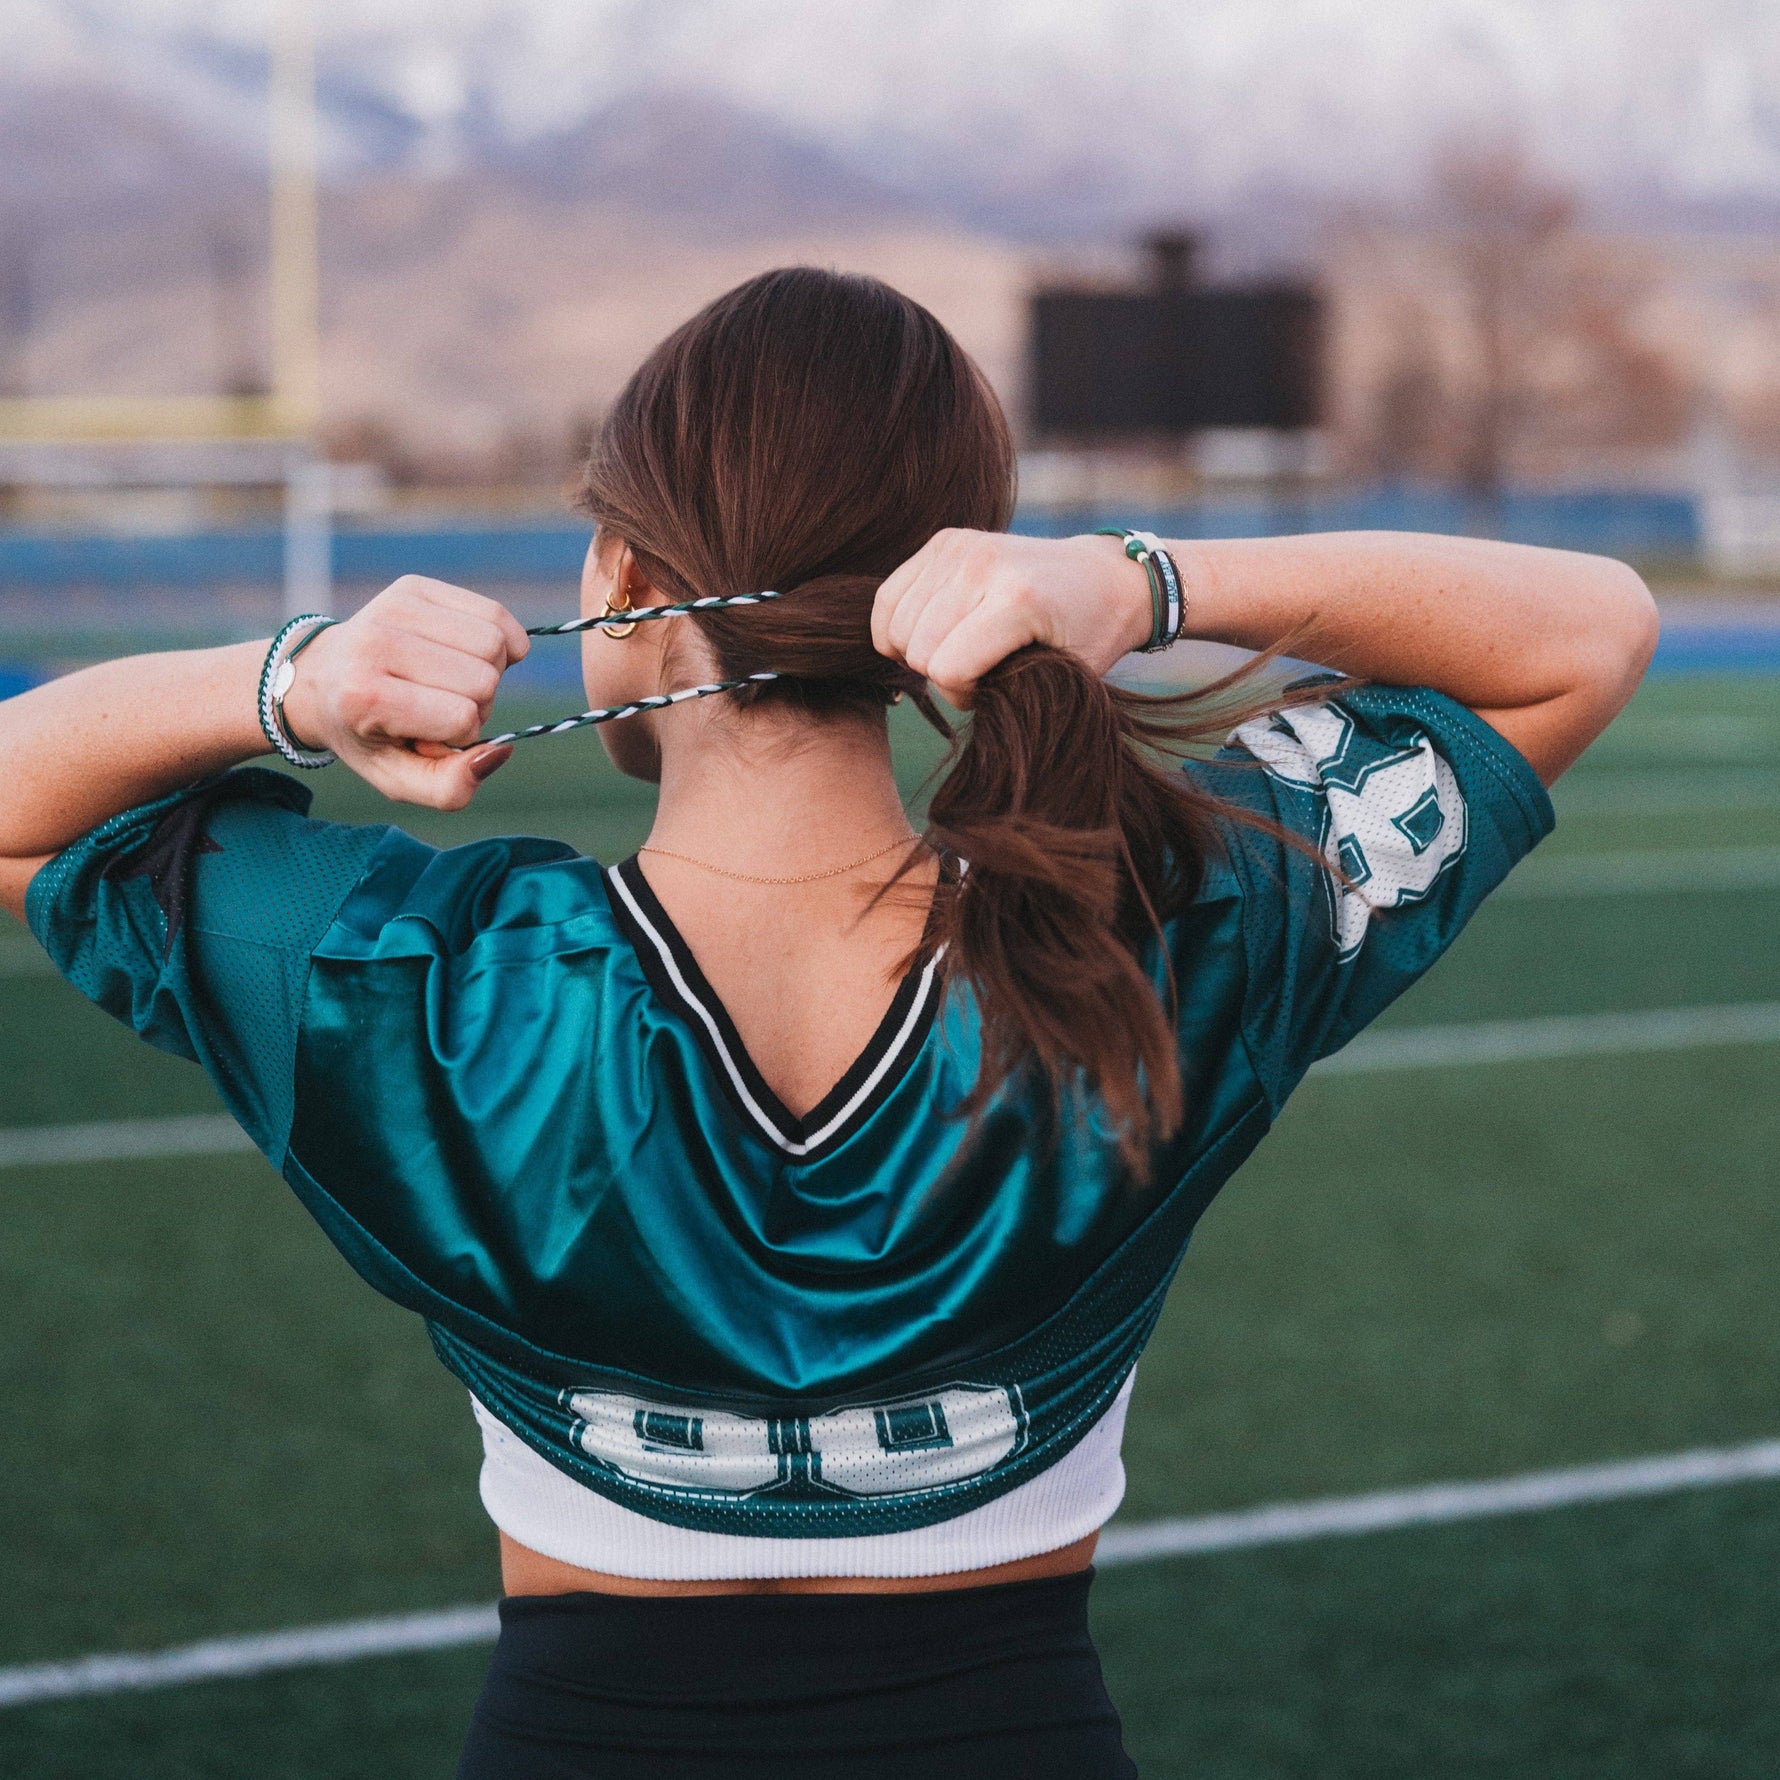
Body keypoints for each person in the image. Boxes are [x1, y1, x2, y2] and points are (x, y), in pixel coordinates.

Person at [0, 268, 1655, 1778]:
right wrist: (1146, 583)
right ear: (962, 579)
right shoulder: (1161, 937)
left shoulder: (400, 976)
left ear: (623, 577)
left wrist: (287, 682)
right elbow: (1585, 638)